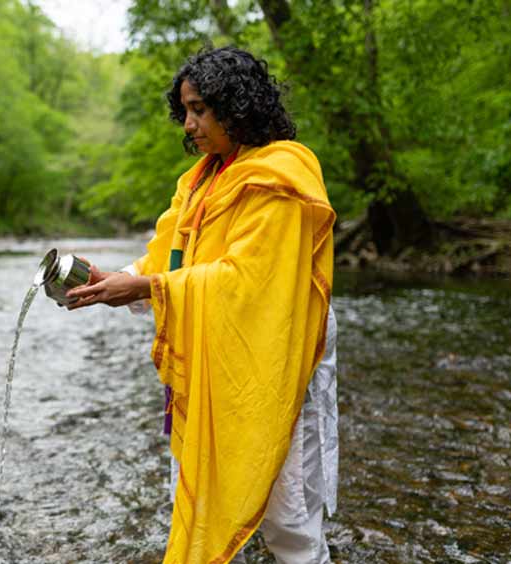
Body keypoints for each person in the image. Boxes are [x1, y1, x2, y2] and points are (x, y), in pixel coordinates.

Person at [65, 46, 338, 564]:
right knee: (198, 490)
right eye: (185, 111)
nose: (188, 125)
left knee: (288, 518)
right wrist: (116, 279)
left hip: (278, 358)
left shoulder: (281, 175)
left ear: (237, 107)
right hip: (213, 356)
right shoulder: (200, 180)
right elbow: (168, 255)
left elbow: (253, 281)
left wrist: (147, 289)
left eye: (199, 110)